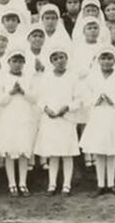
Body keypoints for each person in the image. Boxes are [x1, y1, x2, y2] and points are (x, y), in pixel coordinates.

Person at [78, 49, 115, 195]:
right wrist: (96, 100)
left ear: (114, 61)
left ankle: (111, 184)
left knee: (111, 152)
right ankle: (100, 184)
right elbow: (84, 98)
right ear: (98, 61)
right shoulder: (92, 79)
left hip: (113, 119)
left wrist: (113, 101)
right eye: (103, 58)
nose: (106, 61)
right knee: (99, 152)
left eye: (109, 58)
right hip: (97, 118)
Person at [33, 45, 81, 195]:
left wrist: (66, 108)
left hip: (66, 119)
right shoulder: (46, 77)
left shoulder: (73, 77)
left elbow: (79, 100)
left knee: (67, 153)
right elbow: (39, 98)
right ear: (51, 61)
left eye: (61, 57)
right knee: (53, 153)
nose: (59, 61)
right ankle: (52, 184)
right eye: (55, 58)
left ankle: (66, 185)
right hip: (50, 119)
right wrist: (47, 109)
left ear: (67, 59)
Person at [0, 48, 37, 197]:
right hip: (9, 118)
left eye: (20, 61)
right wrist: (11, 92)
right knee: (10, 152)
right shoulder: (2, 77)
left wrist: (23, 92)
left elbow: (35, 98)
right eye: (14, 61)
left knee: (23, 151)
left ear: (24, 63)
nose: (17, 64)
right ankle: (12, 183)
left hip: (24, 117)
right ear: (9, 62)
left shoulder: (29, 77)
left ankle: (23, 183)